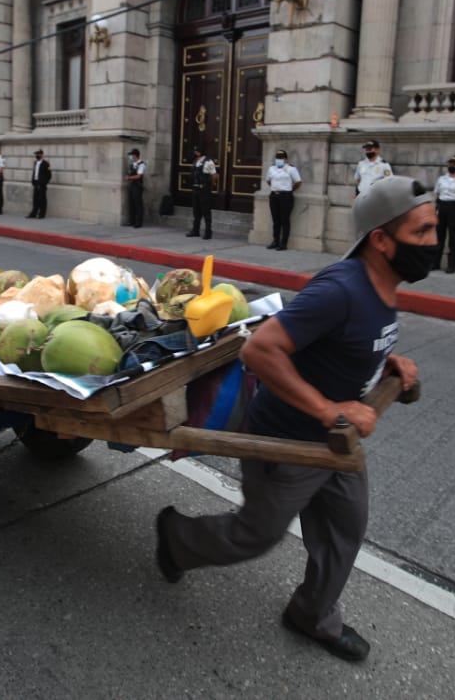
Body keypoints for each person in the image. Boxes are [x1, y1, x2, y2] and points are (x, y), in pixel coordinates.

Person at [154, 175, 432, 663]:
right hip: (289, 438)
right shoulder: (341, 289)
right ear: (382, 240)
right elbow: (261, 350)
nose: (434, 243)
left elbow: (345, 344)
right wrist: (329, 409)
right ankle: (177, 540)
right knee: (255, 535)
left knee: (346, 525)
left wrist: (387, 362)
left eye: (434, 230)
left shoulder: (382, 284)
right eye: (422, 233)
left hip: (335, 444)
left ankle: (312, 615)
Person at [265, 148, 302, 251]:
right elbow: (268, 181)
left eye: (281, 158)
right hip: (274, 196)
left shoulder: (291, 169)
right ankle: (275, 241)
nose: (279, 160)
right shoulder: (271, 169)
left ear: (286, 159)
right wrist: (275, 188)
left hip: (286, 196)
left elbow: (298, 182)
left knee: (285, 220)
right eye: (277, 158)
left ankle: (283, 243)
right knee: (276, 220)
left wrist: (289, 190)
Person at [186, 146, 218, 239]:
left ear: (199, 152)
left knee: (206, 210)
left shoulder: (209, 162)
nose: (194, 153)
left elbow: (214, 175)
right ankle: (195, 230)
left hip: (204, 189)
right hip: (195, 188)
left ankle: (208, 231)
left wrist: (209, 186)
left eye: (195, 151)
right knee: (196, 210)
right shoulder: (196, 161)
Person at [27, 149, 51, 219]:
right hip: (36, 183)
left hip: (42, 184)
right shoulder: (35, 163)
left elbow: (49, 175)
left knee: (42, 199)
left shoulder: (46, 164)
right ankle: (34, 213)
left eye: (38, 154)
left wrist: (44, 183)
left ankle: (41, 214)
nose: (37, 155)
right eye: (36, 154)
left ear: (42, 155)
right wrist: (33, 181)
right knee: (35, 199)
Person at [126, 148, 146, 228]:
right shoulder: (132, 164)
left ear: (135, 155)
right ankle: (132, 221)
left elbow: (139, 176)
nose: (130, 157)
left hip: (137, 186)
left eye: (131, 155)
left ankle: (138, 222)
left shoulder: (141, 164)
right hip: (132, 185)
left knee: (138, 204)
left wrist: (129, 178)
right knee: (131, 203)